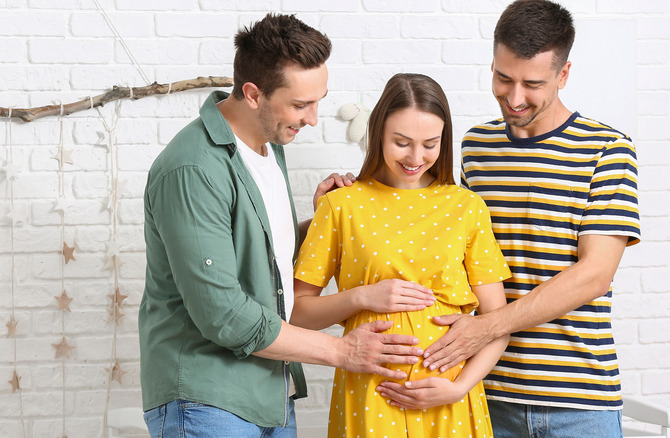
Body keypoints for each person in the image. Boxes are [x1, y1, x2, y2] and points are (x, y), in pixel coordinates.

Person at [138, 14, 424, 437]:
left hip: (269, 392)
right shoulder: (192, 168)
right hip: (206, 400)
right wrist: (342, 351)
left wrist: (317, 222)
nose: (312, 118)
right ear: (253, 94)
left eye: (318, 100)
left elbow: (261, 264)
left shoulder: (268, 147)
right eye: (300, 104)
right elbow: (224, 315)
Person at [387, 1, 642, 437]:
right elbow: (439, 236)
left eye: (533, 83)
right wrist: (352, 197)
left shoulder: (607, 149)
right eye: (503, 78)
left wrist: (483, 329)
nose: (515, 96)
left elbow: (595, 275)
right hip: (484, 393)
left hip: (577, 402)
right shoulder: (476, 146)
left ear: (563, 76)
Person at [291, 73, 513, 437]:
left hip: (450, 399)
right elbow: (298, 314)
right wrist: (362, 297)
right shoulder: (341, 204)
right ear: (378, 133)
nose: (415, 157)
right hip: (371, 394)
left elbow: (497, 322)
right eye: (401, 142)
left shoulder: (466, 207)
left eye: (430, 144)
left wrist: (459, 387)